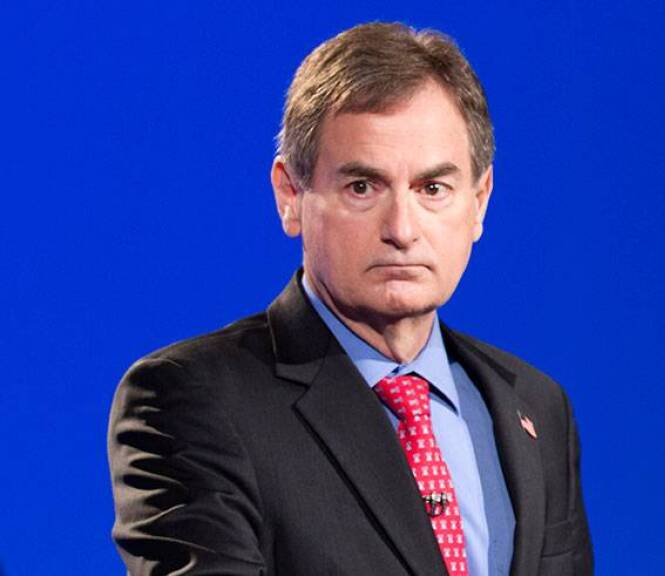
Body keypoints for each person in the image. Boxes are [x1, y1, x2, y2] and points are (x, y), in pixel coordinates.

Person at [108, 22, 593, 575]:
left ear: (479, 202)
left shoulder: (536, 406)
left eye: (433, 188)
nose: (403, 229)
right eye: (363, 187)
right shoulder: (191, 398)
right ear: (291, 196)